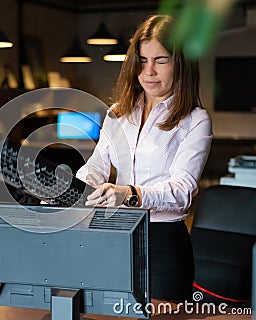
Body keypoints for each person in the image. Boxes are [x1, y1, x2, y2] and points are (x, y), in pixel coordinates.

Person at [76, 14, 213, 303]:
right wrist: (71, 191)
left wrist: (129, 195)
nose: (148, 71)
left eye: (160, 60)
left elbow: (182, 192)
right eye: (142, 59)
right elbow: (96, 167)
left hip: (163, 246)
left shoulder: (195, 120)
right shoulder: (119, 111)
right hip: (116, 237)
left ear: (181, 63)